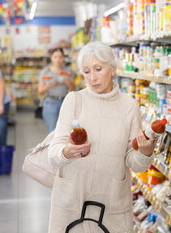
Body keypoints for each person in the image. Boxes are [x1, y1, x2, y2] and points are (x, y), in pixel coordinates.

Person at [47, 42, 157, 232]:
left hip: (111, 201)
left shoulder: (129, 107)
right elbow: (53, 154)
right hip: (72, 199)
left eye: (98, 69)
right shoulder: (74, 100)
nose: (93, 78)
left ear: (113, 69)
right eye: (87, 72)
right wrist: (67, 151)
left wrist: (145, 152)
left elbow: (135, 163)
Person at [38, 47, 76, 133]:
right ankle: (53, 147)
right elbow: (40, 91)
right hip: (50, 103)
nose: (58, 59)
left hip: (66, 102)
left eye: (60, 57)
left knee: (66, 131)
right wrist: (47, 86)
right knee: (52, 132)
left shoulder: (69, 71)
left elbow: (74, 90)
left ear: (63, 58)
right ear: (51, 58)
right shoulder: (46, 72)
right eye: (55, 57)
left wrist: (68, 82)